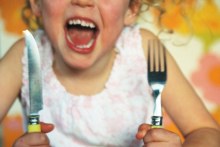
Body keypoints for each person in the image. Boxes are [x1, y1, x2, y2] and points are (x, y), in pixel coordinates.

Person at [0, 0, 219, 146]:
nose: (84, 0)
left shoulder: (141, 49)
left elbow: (207, 132)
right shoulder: (27, 55)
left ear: (131, 9)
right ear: (37, 4)